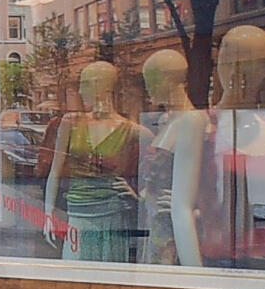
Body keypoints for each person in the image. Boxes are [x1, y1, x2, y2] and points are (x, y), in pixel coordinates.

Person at [200, 23, 265, 270]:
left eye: (255, 62)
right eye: (231, 58)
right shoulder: (200, 130)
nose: (240, 71)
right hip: (219, 262)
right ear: (220, 64)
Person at [44, 58, 143, 261]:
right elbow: (55, 171)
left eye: (85, 84)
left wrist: (138, 196)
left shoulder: (131, 130)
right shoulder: (71, 122)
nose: (80, 91)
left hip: (113, 215)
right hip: (79, 214)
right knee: (74, 273)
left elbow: (161, 172)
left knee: (108, 275)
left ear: (101, 86)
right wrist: (48, 214)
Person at [139, 46, 205, 268]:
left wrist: (195, 278)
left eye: (150, 79)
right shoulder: (167, 120)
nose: (147, 87)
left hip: (174, 235)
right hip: (156, 227)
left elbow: (182, 207)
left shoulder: (191, 120)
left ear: (167, 79)